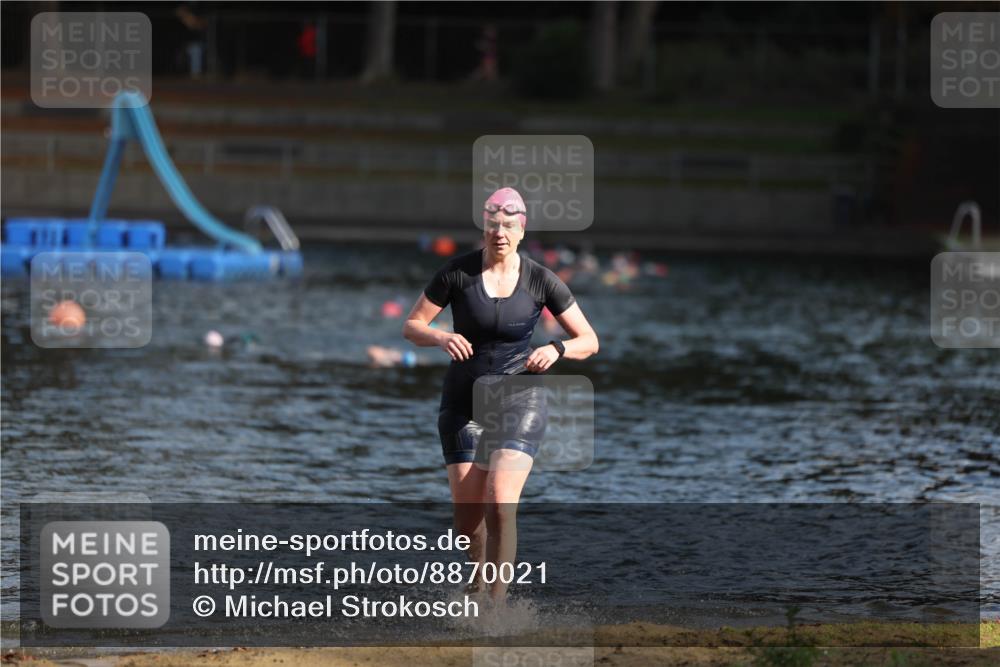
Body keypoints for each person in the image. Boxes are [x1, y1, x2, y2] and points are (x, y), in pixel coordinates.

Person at [402, 187, 599, 603]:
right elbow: (411, 326)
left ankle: (496, 605)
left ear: (521, 230)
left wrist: (556, 348)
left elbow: (590, 340)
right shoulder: (457, 273)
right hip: (462, 402)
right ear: (484, 228)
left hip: (519, 399)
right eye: (493, 225)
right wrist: (440, 337)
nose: (500, 233)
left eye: (508, 226)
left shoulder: (541, 279)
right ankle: (476, 590)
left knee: (499, 501)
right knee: (467, 519)